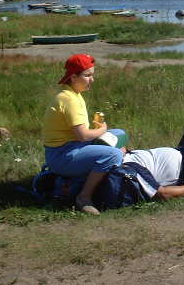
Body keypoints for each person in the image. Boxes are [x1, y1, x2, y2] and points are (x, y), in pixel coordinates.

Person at [42, 54, 123, 215]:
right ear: (73, 77)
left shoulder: (72, 94)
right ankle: (83, 197)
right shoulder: (69, 100)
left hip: (72, 147)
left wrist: (101, 132)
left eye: (92, 75)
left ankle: (86, 177)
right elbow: (83, 136)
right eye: (87, 75)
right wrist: (102, 130)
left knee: (118, 133)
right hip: (62, 155)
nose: (92, 80)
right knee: (113, 155)